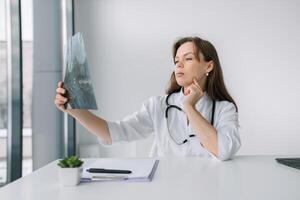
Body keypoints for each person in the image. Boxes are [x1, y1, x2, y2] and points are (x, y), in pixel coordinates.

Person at [55, 36, 241, 161]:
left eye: (188, 58)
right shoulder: (158, 106)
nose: (179, 65)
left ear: (208, 67)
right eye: (176, 61)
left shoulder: (224, 109)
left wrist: (189, 107)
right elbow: (112, 132)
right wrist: (74, 110)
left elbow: (223, 151)